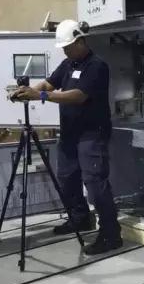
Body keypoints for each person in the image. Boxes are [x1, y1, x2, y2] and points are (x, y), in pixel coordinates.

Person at [11, 19, 122, 256]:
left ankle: (111, 234)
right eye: (63, 48)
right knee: (66, 178)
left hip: (91, 134)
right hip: (70, 133)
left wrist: (40, 96)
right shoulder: (68, 64)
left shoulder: (97, 66)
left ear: (80, 41)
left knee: (95, 184)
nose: (65, 51)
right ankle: (80, 218)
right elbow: (49, 83)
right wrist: (27, 92)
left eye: (68, 47)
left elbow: (78, 96)